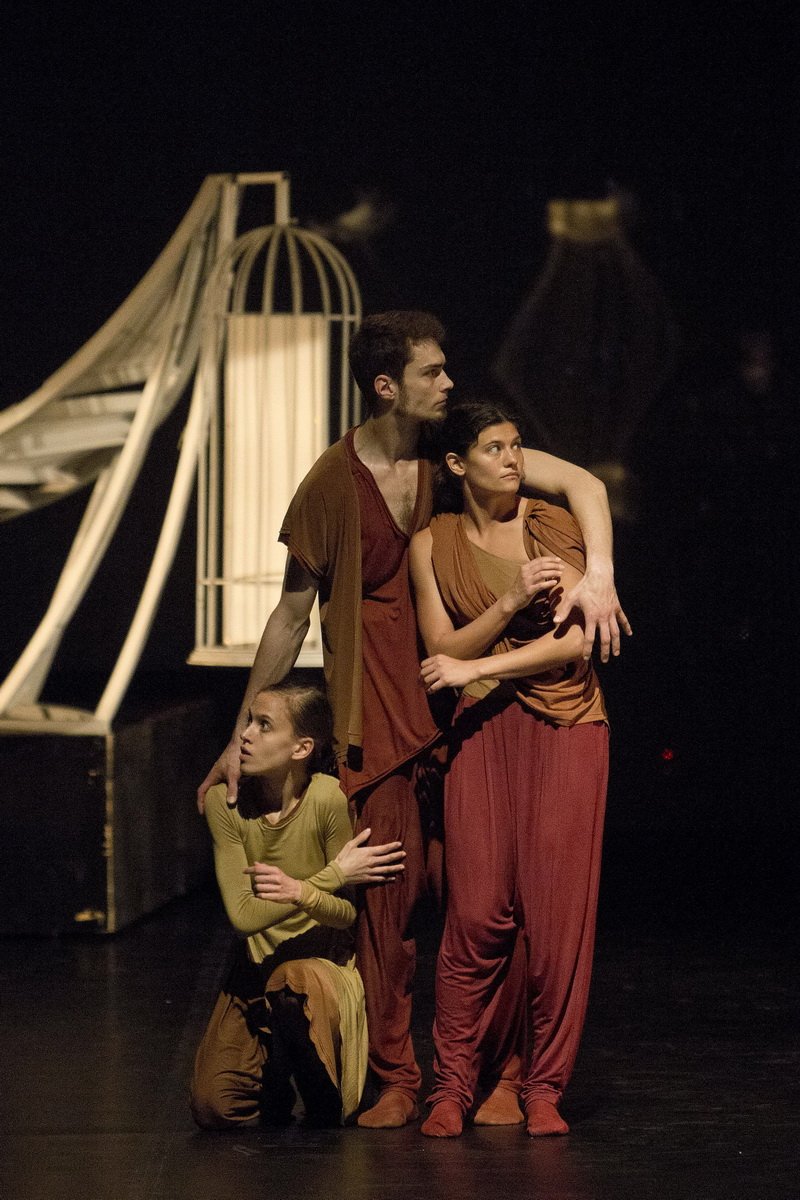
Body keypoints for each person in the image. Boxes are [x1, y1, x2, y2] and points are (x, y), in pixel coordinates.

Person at [197, 311, 630, 1128]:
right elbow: (290, 615)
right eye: (432, 372)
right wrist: (238, 733)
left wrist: (599, 573)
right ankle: (397, 1075)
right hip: (386, 719)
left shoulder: (451, 452)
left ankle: (502, 1073)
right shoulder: (332, 485)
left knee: (493, 906)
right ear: (386, 385)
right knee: (389, 912)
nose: (448, 382)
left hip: (472, 711)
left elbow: (582, 483)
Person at [408, 399, 610, 1138]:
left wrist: (480, 667)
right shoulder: (431, 543)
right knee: (475, 913)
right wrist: (510, 600)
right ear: (456, 464)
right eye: (494, 448)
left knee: (555, 921)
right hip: (482, 731)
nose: (512, 458)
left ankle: (543, 1087)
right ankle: (451, 1086)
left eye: (517, 444)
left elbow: (575, 642)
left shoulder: (548, 525)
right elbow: (441, 645)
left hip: (565, 724)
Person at [190, 678, 405, 1128]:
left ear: (302, 748)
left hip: (316, 968)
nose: (246, 735)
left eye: (264, 725)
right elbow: (243, 915)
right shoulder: (224, 803)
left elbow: (345, 914)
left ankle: (304, 1061)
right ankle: (275, 1070)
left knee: (293, 985)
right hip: (255, 969)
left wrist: (302, 891)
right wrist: (326, 879)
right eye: (249, 721)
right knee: (214, 1106)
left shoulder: (326, 798)